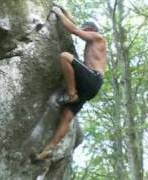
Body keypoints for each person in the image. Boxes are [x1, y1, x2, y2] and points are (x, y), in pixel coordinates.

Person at [31, 5, 106, 163]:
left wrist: (57, 13)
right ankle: (47, 150)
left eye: (86, 30)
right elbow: (75, 25)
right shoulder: (93, 41)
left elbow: (74, 29)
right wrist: (63, 9)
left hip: (93, 79)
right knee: (67, 116)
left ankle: (71, 94)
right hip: (89, 88)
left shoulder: (98, 37)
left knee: (65, 57)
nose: (83, 32)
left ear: (91, 30)